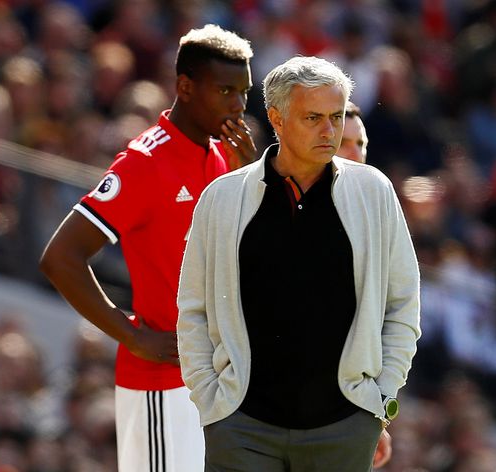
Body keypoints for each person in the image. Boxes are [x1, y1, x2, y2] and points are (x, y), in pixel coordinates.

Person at [177, 56, 421, 472]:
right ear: (276, 117)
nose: (330, 131)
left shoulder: (374, 191)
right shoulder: (221, 197)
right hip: (241, 427)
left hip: (344, 427)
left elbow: (403, 305)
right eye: (314, 117)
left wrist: (379, 400)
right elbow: (193, 308)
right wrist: (212, 401)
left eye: (336, 116)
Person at [39, 24, 255, 472]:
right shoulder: (145, 163)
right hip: (162, 384)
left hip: (214, 380)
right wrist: (130, 333)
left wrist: (249, 181)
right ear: (185, 87)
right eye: (226, 91)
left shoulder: (219, 156)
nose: (238, 105)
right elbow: (61, 256)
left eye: (244, 92)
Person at [337, 100, 390, 469]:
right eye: (345, 143)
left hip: (345, 406)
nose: (356, 154)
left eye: (362, 145)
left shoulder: (373, 217)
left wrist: (376, 411)